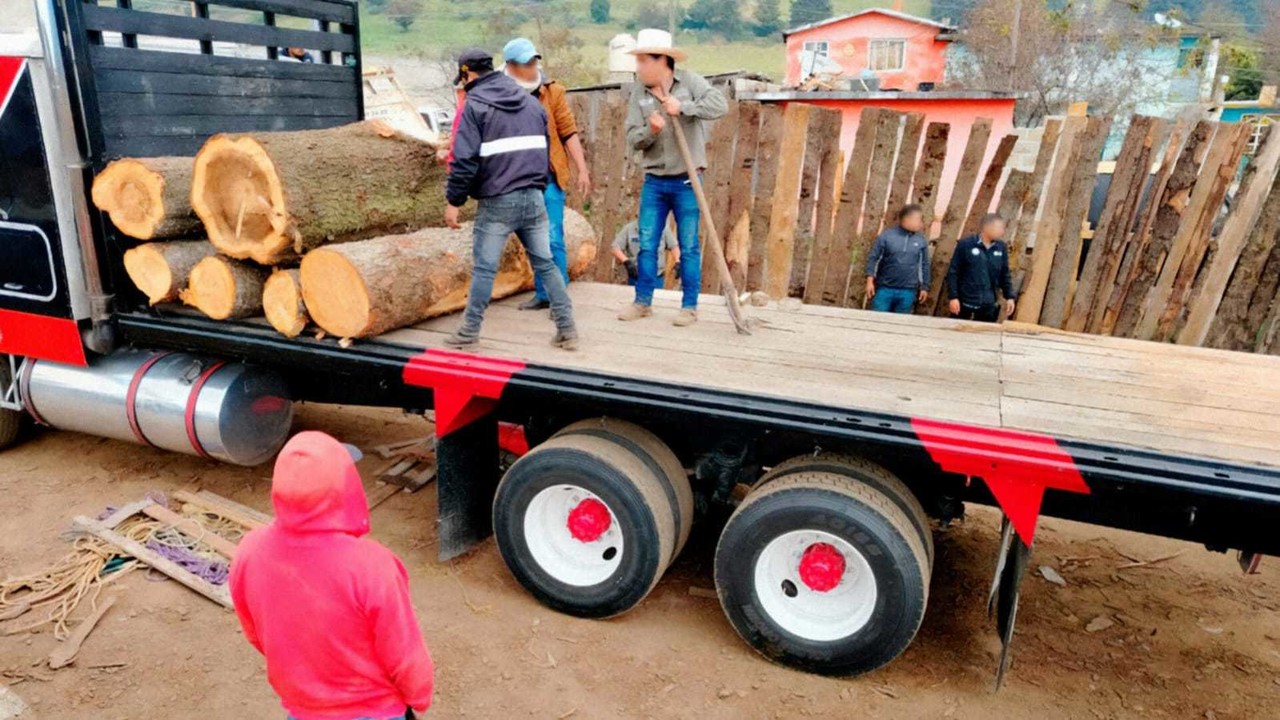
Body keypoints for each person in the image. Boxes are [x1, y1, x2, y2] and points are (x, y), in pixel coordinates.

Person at [230, 431, 433, 720]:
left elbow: (255, 631)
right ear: (344, 488)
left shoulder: (250, 550)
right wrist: (419, 697)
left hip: (303, 710)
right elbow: (404, 653)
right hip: (373, 711)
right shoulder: (372, 565)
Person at [443, 48, 578, 351]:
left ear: (468, 74)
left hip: (497, 201)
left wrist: (454, 201)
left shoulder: (475, 106)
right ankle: (568, 330)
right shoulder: (531, 104)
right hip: (534, 197)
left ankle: (469, 332)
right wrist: (538, 187)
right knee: (546, 264)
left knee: (484, 268)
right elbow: (544, 153)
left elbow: (464, 160)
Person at [618, 28, 727, 327]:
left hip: (688, 180)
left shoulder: (690, 82)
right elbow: (632, 139)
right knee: (647, 244)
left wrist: (684, 108)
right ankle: (643, 302)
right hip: (655, 181)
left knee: (689, 245)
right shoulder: (638, 94)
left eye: (642, 61)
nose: (638, 67)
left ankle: (689, 306)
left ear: (661, 60)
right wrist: (649, 132)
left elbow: (720, 105)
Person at [502, 38, 592, 312]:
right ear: (512, 66)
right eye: (527, 63)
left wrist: (582, 169)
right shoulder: (500, 91)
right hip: (518, 178)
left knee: (553, 236)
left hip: (549, 175)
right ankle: (543, 293)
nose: (533, 67)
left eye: (534, 61)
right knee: (532, 238)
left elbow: (568, 132)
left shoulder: (552, 93)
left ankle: (558, 297)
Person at [946, 213, 1017, 322]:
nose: (1002, 232)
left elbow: (1004, 274)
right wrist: (953, 297)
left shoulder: (1001, 247)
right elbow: (953, 272)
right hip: (965, 301)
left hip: (988, 303)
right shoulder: (966, 244)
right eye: (1000, 228)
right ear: (987, 227)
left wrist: (1009, 297)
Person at [865, 204, 930, 314]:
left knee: (900, 324)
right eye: (919, 219)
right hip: (884, 289)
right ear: (908, 219)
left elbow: (924, 264)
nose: (921, 223)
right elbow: (874, 258)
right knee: (877, 321)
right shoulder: (887, 236)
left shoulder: (921, 240)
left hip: (908, 291)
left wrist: (925, 287)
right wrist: (869, 281)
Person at [612, 218, 679, 286]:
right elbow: (615, 247)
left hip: (656, 278)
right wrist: (626, 262)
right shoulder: (629, 228)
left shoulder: (663, 228)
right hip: (636, 277)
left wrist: (678, 261)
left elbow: (674, 246)